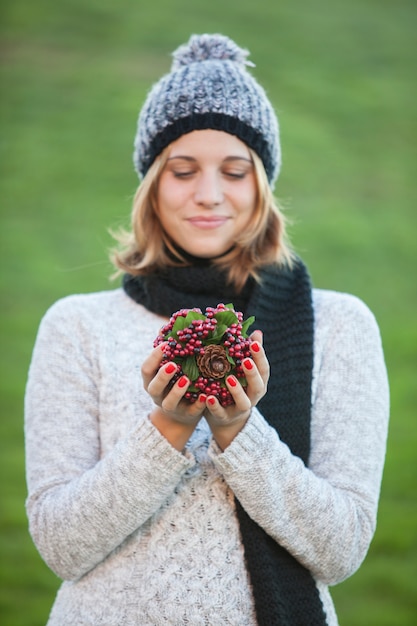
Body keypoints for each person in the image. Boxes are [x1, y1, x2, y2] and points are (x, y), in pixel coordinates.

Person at [24, 34, 389, 626]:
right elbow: (62, 545)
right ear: (151, 186)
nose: (209, 195)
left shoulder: (340, 327)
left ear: (261, 186)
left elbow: (340, 548)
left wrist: (239, 429)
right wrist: (168, 426)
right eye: (183, 170)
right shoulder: (76, 326)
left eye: (236, 171)